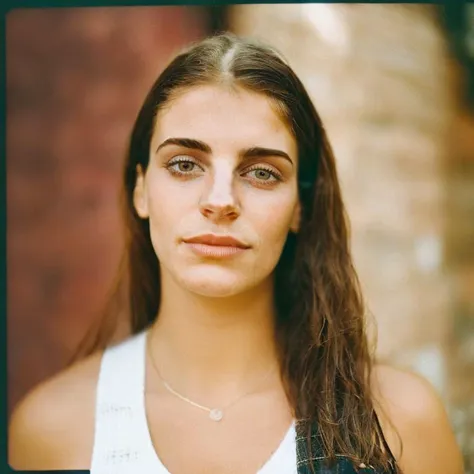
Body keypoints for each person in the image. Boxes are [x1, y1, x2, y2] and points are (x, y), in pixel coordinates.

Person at [8, 32, 463, 474]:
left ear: (300, 208)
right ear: (141, 189)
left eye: (261, 172)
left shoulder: (401, 423)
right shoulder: (54, 431)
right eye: (185, 164)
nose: (220, 200)